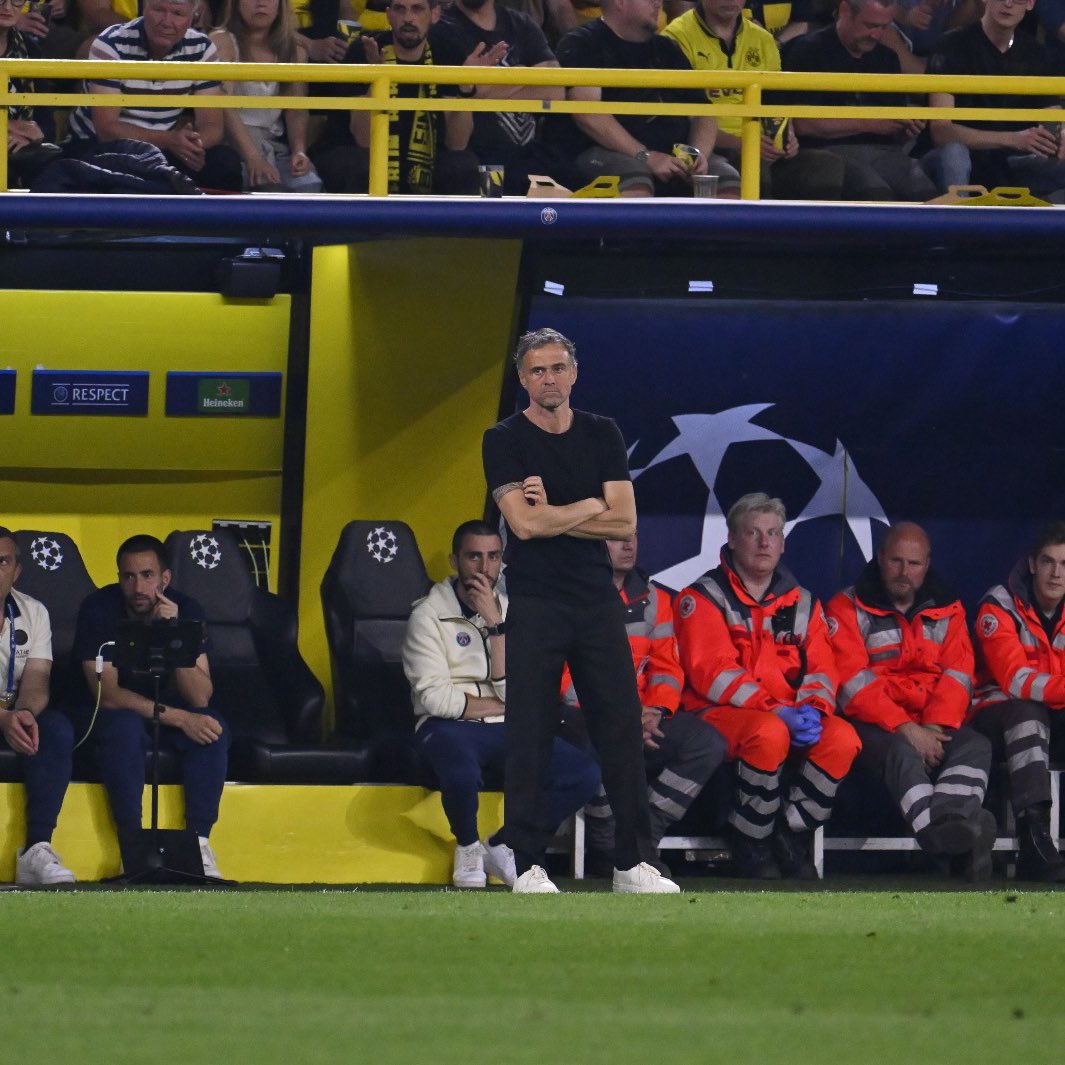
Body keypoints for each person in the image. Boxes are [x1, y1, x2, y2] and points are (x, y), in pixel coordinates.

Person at [481, 327, 679, 894]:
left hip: (596, 599)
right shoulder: (504, 439)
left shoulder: (602, 434)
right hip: (537, 600)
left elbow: (625, 522)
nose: (549, 378)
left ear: (575, 373)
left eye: (558, 368)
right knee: (530, 733)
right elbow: (522, 524)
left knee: (619, 730)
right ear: (522, 379)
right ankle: (522, 859)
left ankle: (631, 864)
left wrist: (561, 512)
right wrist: (593, 502)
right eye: (537, 370)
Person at [403, 520, 600, 888]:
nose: (483, 567)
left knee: (582, 774)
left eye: (493, 557)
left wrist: (496, 626)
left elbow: (528, 691)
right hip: (445, 726)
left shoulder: (513, 611)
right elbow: (435, 699)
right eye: (473, 556)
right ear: (454, 561)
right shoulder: (427, 615)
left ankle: (504, 843)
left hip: (505, 727)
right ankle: (468, 846)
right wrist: (505, 704)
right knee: (461, 771)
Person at [673, 493, 861, 879]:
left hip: (787, 712)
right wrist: (775, 709)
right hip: (716, 713)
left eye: (773, 533)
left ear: (783, 543)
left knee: (843, 738)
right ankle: (751, 841)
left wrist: (813, 708)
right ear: (732, 540)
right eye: (753, 533)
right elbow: (712, 671)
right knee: (770, 732)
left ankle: (784, 832)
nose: (764, 542)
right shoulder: (703, 597)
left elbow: (824, 668)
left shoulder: (804, 602)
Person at [826, 522, 995, 880]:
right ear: (879, 558)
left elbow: (959, 675)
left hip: (935, 723)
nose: (905, 573)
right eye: (896, 561)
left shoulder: (949, 608)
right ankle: (950, 839)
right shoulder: (845, 606)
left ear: (928, 563)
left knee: (976, 745)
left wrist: (932, 727)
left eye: (914, 564)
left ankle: (953, 824)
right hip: (872, 725)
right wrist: (907, 729)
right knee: (900, 752)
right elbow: (852, 685)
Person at [560, 531, 727, 874]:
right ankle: (606, 846)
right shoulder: (570, 595)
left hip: (641, 714)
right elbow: (563, 678)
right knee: (597, 739)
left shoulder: (653, 597)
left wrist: (656, 711)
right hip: (585, 712)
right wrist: (623, 716)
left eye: (633, 537)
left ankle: (642, 836)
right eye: (615, 538)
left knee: (705, 743)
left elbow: (667, 668)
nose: (629, 545)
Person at [72, 535, 230, 877]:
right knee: (125, 726)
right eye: (128, 577)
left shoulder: (187, 610)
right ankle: (133, 846)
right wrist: (180, 718)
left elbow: (200, 697)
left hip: (170, 712)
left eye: (147, 575)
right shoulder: (98, 608)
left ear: (165, 579)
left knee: (212, 726)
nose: (138, 587)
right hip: (115, 715)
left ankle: (199, 844)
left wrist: (172, 633)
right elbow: (109, 694)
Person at [549, 0, 737, 197]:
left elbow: (703, 113)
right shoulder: (583, 41)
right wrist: (646, 156)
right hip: (602, 151)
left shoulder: (667, 48)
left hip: (671, 153)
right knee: (635, 181)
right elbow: (586, 112)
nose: (659, 3)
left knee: (726, 180)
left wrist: (697, 156)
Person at [662, 0, 845, 199]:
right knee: (754, 165)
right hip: (714, 148)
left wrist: (787, 137)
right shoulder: (675, 37)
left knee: (825, 165)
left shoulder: (763, 39)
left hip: (761, 146)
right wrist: (744, 142)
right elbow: (685, 119)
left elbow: (776, 104)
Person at [64, 0, 243, 191]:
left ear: (193, 16)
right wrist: (170, 140)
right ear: (144, 9)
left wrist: (191, 145)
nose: (166, 21)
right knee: (128, 173)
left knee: (225, 164)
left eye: (177, 14)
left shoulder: (202, 48)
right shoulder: (111, 42)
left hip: (165, 147)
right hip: (100, 146)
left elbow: (212, 125)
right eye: (158, 10)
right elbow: (107, 130)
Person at [970, 522, 1065, 882]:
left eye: (1064, 564)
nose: (1057, 573)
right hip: (994, 715)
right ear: (1031, 564)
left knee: (1037, 713)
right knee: (1029, 713)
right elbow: (1015, 679)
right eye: (1048, 562)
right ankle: (1034, 840)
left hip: (1052, 712)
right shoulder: (999, 604)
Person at [309, 0, 481, 194]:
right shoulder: (365, 50)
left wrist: (466, 88)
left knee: (462, 166)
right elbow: (363, 140)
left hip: (428, 159)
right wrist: (377, 81)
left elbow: (457, 143)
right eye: (400, 9)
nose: (408, 18)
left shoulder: (447, 52)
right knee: (360, 165)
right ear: (389, 15)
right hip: (353, 150)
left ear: (435, 15)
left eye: (417, 9)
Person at [781, 0, 937, 201]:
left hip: (887, 152)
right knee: (874, 192)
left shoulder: (887, 58)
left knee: (927, 194)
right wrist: (871, 123)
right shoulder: (808, 50)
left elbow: (892, 131)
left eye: (884, 27)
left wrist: (905, 129)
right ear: (845, 11)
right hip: (829, 151)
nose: (877, 35)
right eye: (870, 26)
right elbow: (802, 123)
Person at [923, 0, 1065, 198]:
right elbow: (941, 132)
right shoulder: (950, 45)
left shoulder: (1037, 53)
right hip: (959, 158)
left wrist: (1060, 135)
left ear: (1031, 3)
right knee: (954, 154)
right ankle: (957, 225)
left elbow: (1053, 119)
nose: (1008, 4)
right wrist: (1013, 139)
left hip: (1011, 162)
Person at [0, 527, 77, 886]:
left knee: (55, 727)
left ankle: (36, 849)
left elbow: (36, 679)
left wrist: (25, 715)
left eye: (3, 562)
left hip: (12, 714)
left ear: (16, 570)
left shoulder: (33, 612)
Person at [436, 0, 571, 195]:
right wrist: (526, 77)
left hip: (530, 153)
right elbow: (463, 96)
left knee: (601, 197)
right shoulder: (442, 27)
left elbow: (556, 91)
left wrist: (486, 88)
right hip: (482, 160)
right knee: (549, 201)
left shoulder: (521, 23)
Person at [209, 0, 323, 192]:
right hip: (233, 145)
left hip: (276, 145)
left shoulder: (294, 49)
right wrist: (253, 157)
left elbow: (296, 110)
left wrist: (299, 150)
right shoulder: (222, 41)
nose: (260, 3)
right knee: (264, 188)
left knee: (309, 186)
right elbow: (222, 105)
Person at [3, 2, 62, 188]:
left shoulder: (30, 51)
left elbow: (47, 123)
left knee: (54, 166)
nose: (7, 7)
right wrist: (6, 127)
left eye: (17, 0)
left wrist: (35, 134)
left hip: (18, 150)